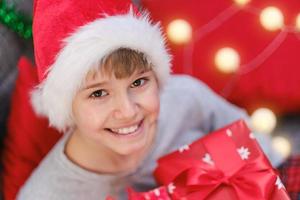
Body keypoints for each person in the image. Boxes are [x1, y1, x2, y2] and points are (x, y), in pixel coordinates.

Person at [17, 0, 282, 199]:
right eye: (98, 93)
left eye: (138, 82)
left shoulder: (185, 97)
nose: (128, 110)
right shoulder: (47, 194)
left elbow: (260, 149)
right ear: (67, 106)